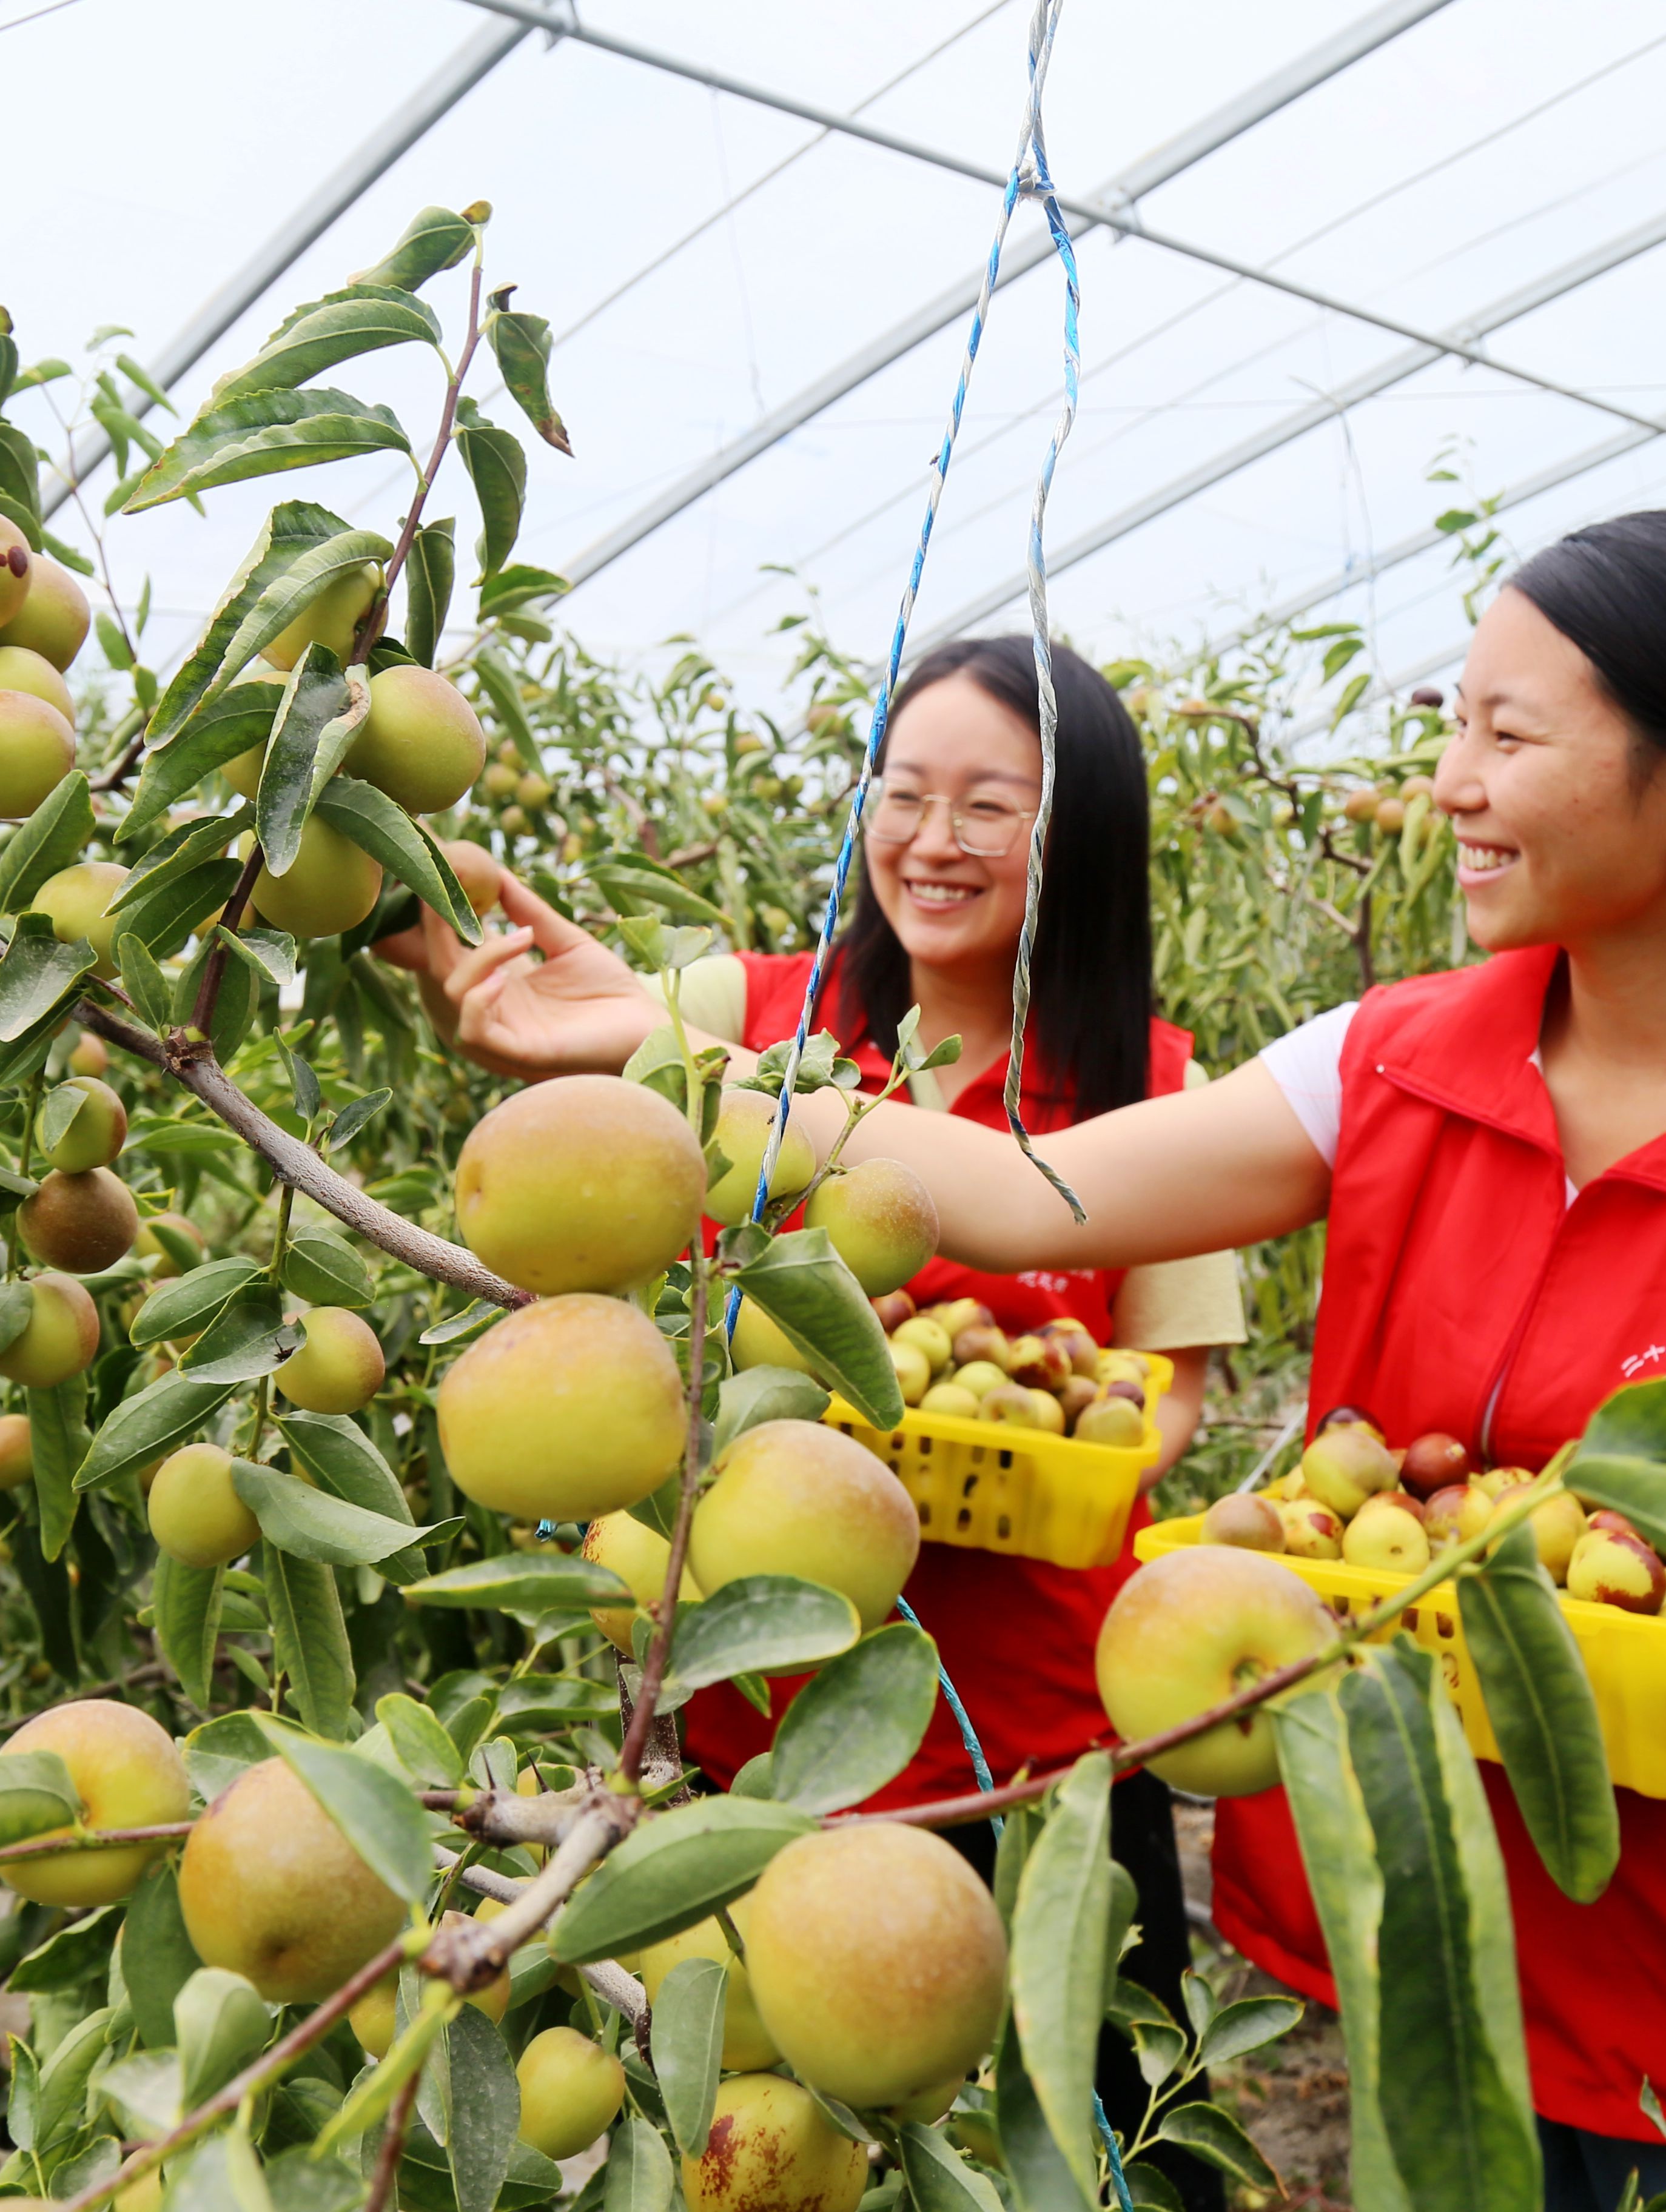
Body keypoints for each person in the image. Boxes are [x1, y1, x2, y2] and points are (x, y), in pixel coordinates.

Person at [705, 514, 1666, 2211]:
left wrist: (1614, 1694)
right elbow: (1012, 1186)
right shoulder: (1398, 1060)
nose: (1452, 783)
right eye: (1452, 726)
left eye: (1509, 734)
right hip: (1431, 1987)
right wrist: (664, 1047)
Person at [378, 634, 1244, 2205]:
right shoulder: (743, 1013)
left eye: (991, 803)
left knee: (1090, 2136)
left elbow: (1169, 1384)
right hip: (750, 1724)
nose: (931, 839)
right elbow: (585, 1120)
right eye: (903, 793)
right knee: (761, 2146)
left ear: (1083, 834)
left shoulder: (1161, 1096)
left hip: (1040, 1734)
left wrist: (1022, 1469)